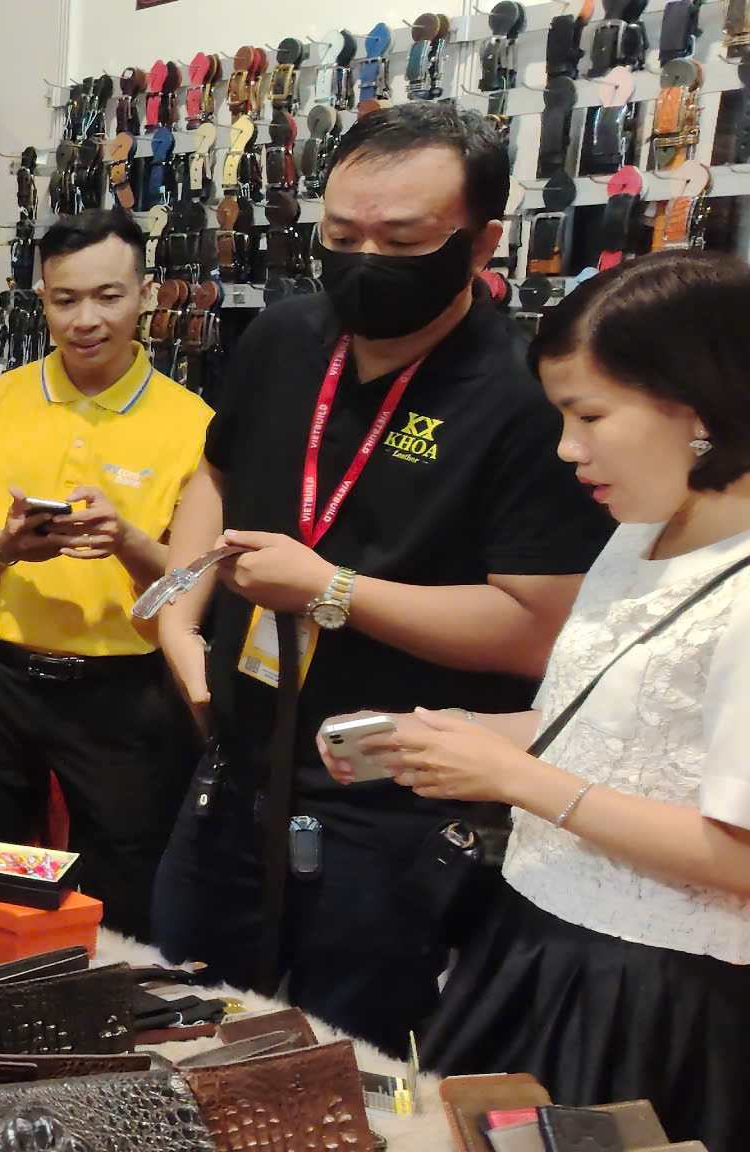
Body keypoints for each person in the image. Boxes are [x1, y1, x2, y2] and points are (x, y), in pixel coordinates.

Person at [151, 103, 614, 1051]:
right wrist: (180, 620)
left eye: (402, 241)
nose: (365, 260)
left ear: (481, 242)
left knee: (352, 1064)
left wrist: (333, 591)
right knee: (187, 1026)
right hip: (234, 770)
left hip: (396, 807)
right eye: (340, 235)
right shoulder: (285, 336)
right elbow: (217, 472)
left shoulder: (524, 395)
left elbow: (539, 625)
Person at [326, 253, 750, 1148]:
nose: (567, 449)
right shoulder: (639, 533)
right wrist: (459, 735)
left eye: (589, 416)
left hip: (658, 989)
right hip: (533, 935)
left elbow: (737, 852)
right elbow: (611, 729)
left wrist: (515, 777)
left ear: (702, 405)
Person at [0, 210, 209, 934]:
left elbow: (199, 583)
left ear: (146, 294)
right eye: (65, 299)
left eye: (108, 296)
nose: (85, 320)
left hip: (127, 686)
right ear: (42, 299)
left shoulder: (193, 425)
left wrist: (127, 541)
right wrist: (4, 548)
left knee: (126, 885)